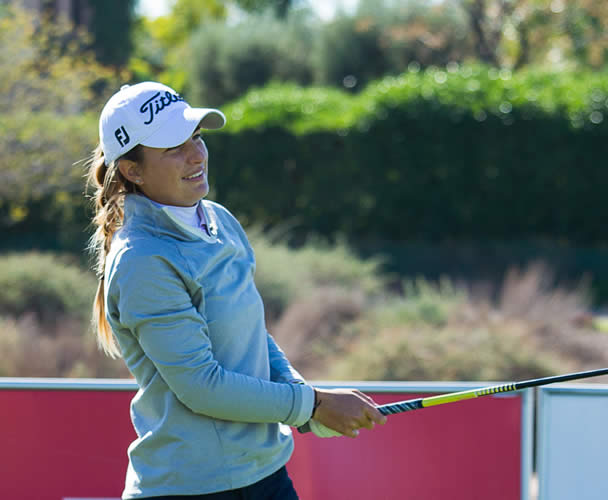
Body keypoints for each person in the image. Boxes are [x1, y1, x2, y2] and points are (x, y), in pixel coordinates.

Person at [85, 81, 386, 499]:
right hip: (187, 488)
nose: (196, 155)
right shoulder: (142, 260)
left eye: (196, 137)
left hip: (265, 476)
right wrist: (313, 404)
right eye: (173, 146)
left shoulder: (219, 221)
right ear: (133, 170)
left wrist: (305, 405)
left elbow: (252, 335)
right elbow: (203, 386)